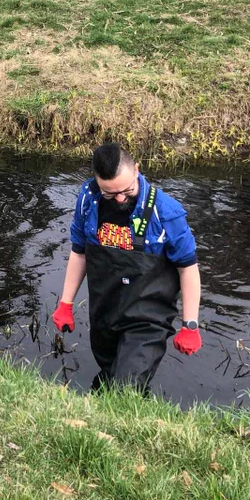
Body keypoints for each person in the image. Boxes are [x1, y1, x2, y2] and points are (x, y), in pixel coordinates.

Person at [51, 143, 202, 392]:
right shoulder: (88, 201)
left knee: (126, 388)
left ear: (136, 170)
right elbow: (80, 253)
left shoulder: (165, 212)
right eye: (110, 193)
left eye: (126, 189)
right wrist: (66, 304)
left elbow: (188, 268)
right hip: (105, 310)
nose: (120, 198)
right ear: (97, 182)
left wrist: (190, 324)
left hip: (147, 319)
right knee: (109, 375)